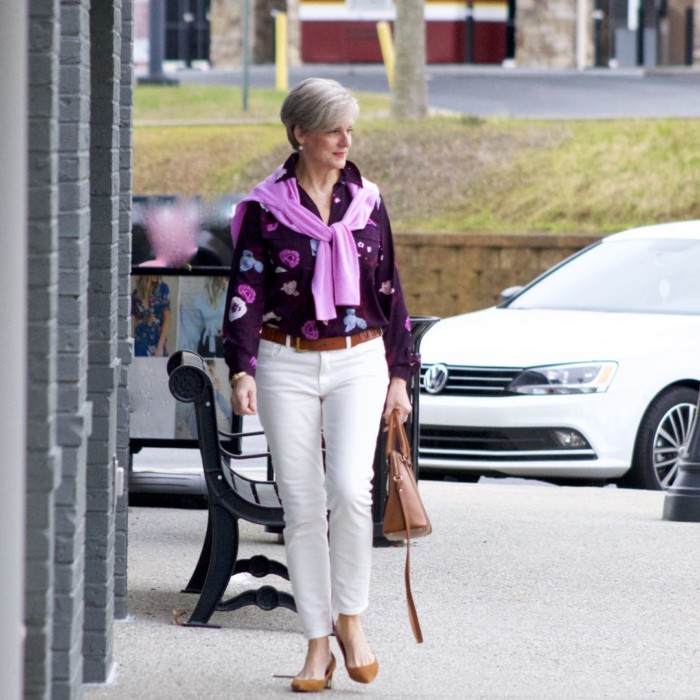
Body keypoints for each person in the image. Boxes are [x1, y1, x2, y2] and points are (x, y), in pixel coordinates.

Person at [222, 78, 417, 693]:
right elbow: (246, 290)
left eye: (350, 129)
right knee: (302, 505)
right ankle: (315, 645)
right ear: (301, 132)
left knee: (350, 491)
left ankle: (351, 622)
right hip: (286, 361)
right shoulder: (263, 209)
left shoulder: (369, 203)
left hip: (359, 359)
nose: (345, 140)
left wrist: (399, 373)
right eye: (333, 129)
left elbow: (390, 290)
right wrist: (241, 365)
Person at [131, 275, 171, 357]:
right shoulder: (136, 294)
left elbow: (167, 320)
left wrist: (160, 346)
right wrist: (145, 320)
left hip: (156, 341)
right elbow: (135, 321)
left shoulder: (162, 289)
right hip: (140, 342)